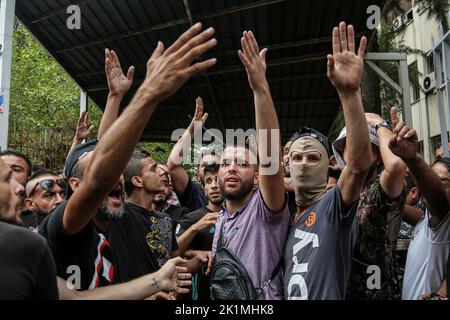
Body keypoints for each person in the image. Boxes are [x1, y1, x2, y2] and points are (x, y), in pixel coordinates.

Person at [39, 22, 218, 290]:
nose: (114, 175)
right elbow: (101, 172)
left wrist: (157, 287)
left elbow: (163, 262)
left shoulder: (150, 219)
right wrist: (147, 94)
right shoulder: (64, 228)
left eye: (116, 170)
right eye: (103, 170)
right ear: (75, 185)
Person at [283, 22, 371, 300]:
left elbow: (357, 166)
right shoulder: (281, 217)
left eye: (313, 157)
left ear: (329, 164)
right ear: (287, 164)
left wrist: (349, 94)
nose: (304, 163)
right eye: (297, 157)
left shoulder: (333, 206)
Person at [210, 30, 290, 300]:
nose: (231, 168)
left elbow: (270, 160)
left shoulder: (266, 208)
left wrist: (260, 88)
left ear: (257, 177)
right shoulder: (221, 217)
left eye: (242, 164)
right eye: (225, 164)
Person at [332, 109, 407, 300]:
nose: (355, 149)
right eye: (348, 145)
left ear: (379, 156)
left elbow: (396, 166)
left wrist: (380, 124)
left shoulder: (380, 190)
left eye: (364, 144)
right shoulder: (337, 195)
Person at [384, 122, 450, 299]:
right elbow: (405, 210)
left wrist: (412, 158)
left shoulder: (445, 216)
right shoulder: (425, 218)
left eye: (442, 182)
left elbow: (437, 197)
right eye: (431, 177)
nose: (431, 184)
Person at [0, 157, 58, 300]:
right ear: (30, 203)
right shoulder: (25, 243)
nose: (20, 188)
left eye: (63, 193)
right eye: (7, 179)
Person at [176, 162, 223, 300]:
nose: (214, 185)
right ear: (204, 189)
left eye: (218, 180)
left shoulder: (239, 216)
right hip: (200, 293)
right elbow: (172, 251)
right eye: (209, 181)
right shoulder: (192, 218)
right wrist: (195, 228)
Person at [167, 97, 220, 212]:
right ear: (196, 174)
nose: (210, 167)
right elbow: (173, 166)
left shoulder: (234, 192)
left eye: (215, 164)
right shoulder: (193, 193)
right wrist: (192, 130)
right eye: (204, 165)